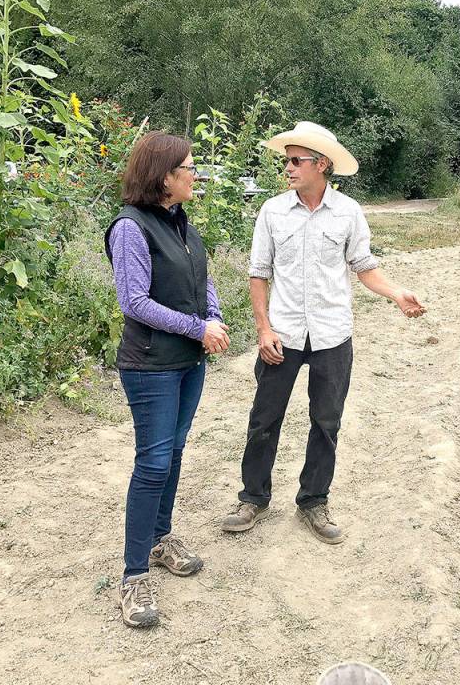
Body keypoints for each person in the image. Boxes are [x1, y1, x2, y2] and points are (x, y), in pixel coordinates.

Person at [221, 121, 426, 544]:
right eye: (287, 160)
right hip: (283, 335)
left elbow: (364, 266)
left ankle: (314, 500)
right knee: (263, 420)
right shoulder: (272, 212)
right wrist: (262, 329)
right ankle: (253, 498)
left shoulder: (348, 213)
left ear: (323, 165)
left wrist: (395, 293)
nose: (289, 168)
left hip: (333, 334)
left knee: (326, 421)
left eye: (297, 160)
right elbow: (259, 274)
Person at [104, 131, 231, 628]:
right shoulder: (130, 228)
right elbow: (133, 301)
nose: (196, 174)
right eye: (189, 167)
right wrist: (197, 327)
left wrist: (213, 317)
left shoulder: (181, 223)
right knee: (153, 462)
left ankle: (160, 540)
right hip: (151, 365)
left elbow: (203, 279)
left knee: (173, 453)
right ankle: (133, 576)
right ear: (164, 176)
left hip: (187, 363)